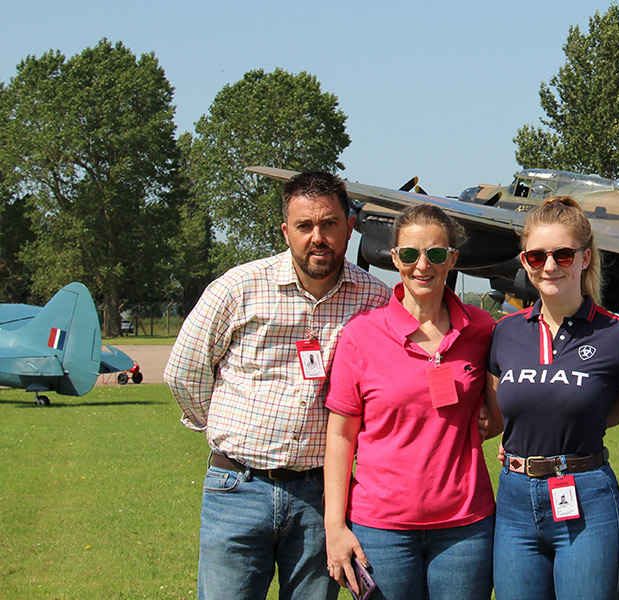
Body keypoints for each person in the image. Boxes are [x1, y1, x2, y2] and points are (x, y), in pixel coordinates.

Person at [165, 171, 391, 600]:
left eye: (329, 224)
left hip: (320, 497)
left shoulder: (375, 300)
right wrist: (220, 432)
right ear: (286, 231)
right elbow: (184, 372)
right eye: (305, 226)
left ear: (350, 227)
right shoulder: (238, 287)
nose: (318, 237)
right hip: (237, 488)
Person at [323, 204, 496, 600]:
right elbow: (340, 438)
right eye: (410, 254)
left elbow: (504, 405)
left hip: (465, 527)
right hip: (381, 530)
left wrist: (491, 421)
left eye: (435, 254)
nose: (423, 265)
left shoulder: (482, 329)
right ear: (394, 258)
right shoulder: (361, 335)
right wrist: (335, 527)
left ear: (452, 259)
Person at [488, 197, 619, 600]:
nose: (549, 266)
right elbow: (502, 407)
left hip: (586, 494)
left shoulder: (617, 333)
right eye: (536, 256)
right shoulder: (506, 331)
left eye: (563, 255)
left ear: (585, 258)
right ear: (524, 261)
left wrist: (581, 423)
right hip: (515, 497)